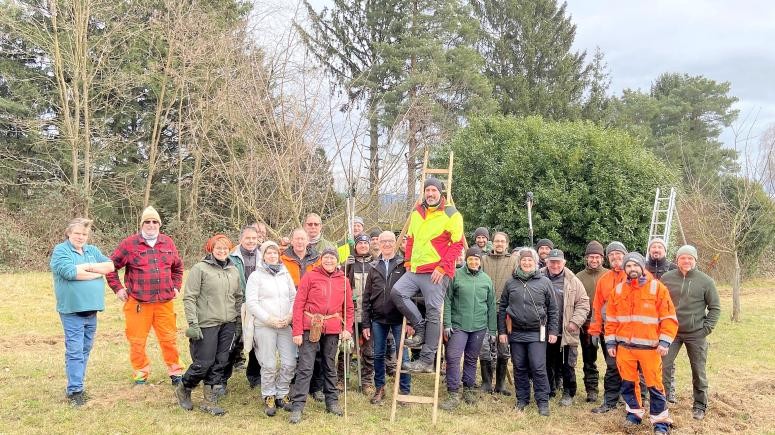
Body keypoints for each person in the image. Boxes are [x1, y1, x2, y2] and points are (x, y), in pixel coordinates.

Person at [391, 177, 464, 373]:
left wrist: (443, 267)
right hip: (416, 269)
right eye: (427, 190)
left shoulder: (452, 214)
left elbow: (457, 244)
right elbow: (411, 239)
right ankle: (419, 327)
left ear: (441, 193)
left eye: (434, 190)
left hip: (436, 272)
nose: (430, 194)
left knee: (433, 311)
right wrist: (407, 261)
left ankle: (426, 360)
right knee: (397, 293)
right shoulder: (417, 212)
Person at [106, 206, 184, 385]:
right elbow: (111, 267)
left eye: (154, 221)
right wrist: (118, 288)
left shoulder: (168, 242)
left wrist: (176, 286)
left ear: (159, 224)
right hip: (138, 303)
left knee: (169, 339)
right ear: (142, 224)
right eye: (147, 222)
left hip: (164, 302)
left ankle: (176, 372)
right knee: (137, 341)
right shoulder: (129, 244)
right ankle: (141, 374)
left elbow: (178, 267)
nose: (151, 225)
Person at [605, 252, 677, 435]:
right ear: (625, 269)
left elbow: (669, 317)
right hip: (625, 349)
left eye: (635, 265)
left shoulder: (657, 288)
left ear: (642, 267)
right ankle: (634, 414)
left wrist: (665, 342)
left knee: (654, 385)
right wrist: (611, 344)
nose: (632, 269)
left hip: (650, 348)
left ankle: (660, 422)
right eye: (628, 266)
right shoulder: (618, 291)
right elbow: (611, 320)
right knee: (628, 384)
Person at [50, 218, 115, 406]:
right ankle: (75, 391)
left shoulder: (92, 251)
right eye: (77, 233)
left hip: (92, 311)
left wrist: (88, 267)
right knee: (75, 351)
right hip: (72, 311)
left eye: (84, 234)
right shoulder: (61, 250)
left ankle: (77, 383)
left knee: (85, 349)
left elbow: (110, 266)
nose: (81, 237)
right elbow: (70, 273)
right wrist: (96, 272)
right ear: (69, 233)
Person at [175, 235, 242, 416]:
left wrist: (238, 322)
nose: (222, 251)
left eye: (225, 248)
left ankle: (209, 399)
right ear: (211, 249)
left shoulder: (233, 270)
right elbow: (190, 297)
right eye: (218, 248)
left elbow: (238, 297)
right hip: (207, 323)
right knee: (204, 362)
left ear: (230, 250)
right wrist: (193, 323)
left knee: (220, 362)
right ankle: (184, 387)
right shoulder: (200, 269)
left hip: (228, 323)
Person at [289, 248, 354, 424]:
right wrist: (297, 331)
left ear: (337, 261)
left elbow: (348, 308)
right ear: (321, 260)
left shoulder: (344, 281)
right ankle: (297, 406)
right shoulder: (310, 276)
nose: (329, 261)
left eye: (332, 258)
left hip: (332, 328)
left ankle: (331, 401)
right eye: (326, 258)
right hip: (310, 325)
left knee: (329, 365)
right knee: (305, 366)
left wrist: (347, 328)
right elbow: (298, 304)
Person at [660, 245, 721, 421]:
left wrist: (706, 329)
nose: (686, 261)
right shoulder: (666, 278)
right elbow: (659, 303)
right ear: (677, 260)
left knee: (698, 370)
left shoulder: (706, 281)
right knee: (663, 367)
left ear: (695, 260)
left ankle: (700, 405)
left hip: (696, 333)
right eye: (682, 258)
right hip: (671, 333)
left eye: (690, 258)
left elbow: (715, 308)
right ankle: (662, 403)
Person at [498, 248, 559, 416]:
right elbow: (503, 308)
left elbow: (553, 309)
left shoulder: (544, 282)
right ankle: (522, 399)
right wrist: (502, 331)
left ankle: (542, 401)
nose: (526, 263)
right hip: (516, 333)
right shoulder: (511, 283)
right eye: (524, 260)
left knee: (538, 367)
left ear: (535, 262)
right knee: (519, 367)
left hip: (537, 332)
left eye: (530, 260)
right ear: (519, 262)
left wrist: (553, 330)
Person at [440, 247, 496, 411]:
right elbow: (448, 300)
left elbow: (491, 306)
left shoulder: (486, 280)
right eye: (471, 259)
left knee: (471, 359)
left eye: (476, 259)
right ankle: (453, 393)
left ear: (480, 261)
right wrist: (447, 323)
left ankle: (469, 389)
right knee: (453, 357)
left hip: (479, 327)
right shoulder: (455, 275)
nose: (473, 261)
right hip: (458, 325)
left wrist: (492, 331)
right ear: (466, 259)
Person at [245, 241, 297, 417]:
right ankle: (269, 395)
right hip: (265, 325)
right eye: (269, 253)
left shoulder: (284, 273)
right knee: (268, 364)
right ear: (263, 255)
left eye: (275, 253)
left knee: (290, 362)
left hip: (284, 324)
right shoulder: (256, 276)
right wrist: (270, 319)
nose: (272, 256)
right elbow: (252, 303)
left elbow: (293, 297)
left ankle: (282, 393)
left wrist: (289, 316)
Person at [362, 231, 411, 404]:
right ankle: (379, 388)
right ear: (379, 244)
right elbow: (367, 297)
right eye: (384, 241)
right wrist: (366, 323)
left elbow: (412, 294)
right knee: (378, 355)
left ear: (395, 243)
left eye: (391, 241)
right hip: (378, 319)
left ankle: (404, 392)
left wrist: (411, 321)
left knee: (403, 355)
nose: (387, 244)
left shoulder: (403, 264)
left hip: (400, 318)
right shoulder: (374, 266)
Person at [540, 249, 590, 406]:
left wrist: (575, 322)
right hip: (545, 329)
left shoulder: (573, 280)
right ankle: (549, 389)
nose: (555, 265)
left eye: (558, 262)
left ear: (564, 263)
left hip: (567, 330)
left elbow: (583, 303)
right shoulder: (538, 276)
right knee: (546, 361)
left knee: (568, 364)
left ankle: (568, 392)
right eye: (552, 262)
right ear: (546, 262)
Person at [222, 225, 260, 393]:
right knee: (232, 342)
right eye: (247, 238)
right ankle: (222, 379)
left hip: (258, 305)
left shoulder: (263, 256)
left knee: (257, 342)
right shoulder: (231, 257)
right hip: (237, 305)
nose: (251, 241)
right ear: (241, 240)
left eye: (254, 238)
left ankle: (255, 376)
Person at [480, 231, 518, 395]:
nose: (499, 244)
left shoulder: (513, 261)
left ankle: (500, 385)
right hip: (485, 311)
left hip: (505, 312)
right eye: (496, 241)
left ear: (507, 244)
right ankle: (486, 383)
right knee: (484, 346)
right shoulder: (483, 260)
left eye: (502, 241)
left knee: (503, 348)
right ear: (492, 243)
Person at [338, 234, 375, 394]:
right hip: (350, 314)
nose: (363, 246)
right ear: (355, 246)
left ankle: (367, 382)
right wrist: (344, 266)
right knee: (345, 348)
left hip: (369, 315)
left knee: (368, 350)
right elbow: (339, 284)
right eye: (360, 243)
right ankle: (341, 380)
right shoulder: (349, 264)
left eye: (366, 243)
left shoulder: (375, 264)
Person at [575, 240, 609, 403]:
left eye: (597, 257)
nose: (594, 260)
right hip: (588, 325)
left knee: (612, 361)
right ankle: (592, 390)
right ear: (586, 258)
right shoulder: (578, 277)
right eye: (591, 257)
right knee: (589, 360)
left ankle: (611, 391)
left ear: (602, 258)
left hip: (609, 325)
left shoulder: (610, 275)